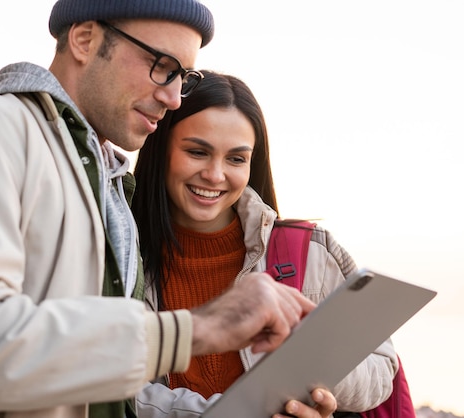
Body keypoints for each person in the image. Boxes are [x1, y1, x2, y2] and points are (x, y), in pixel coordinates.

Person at [0, 1, 337, 417]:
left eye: (185, 77)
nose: (175, 97)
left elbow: (105, 387)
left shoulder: (110, 182)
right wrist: (198, 328)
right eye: (161, 66)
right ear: (84, 39)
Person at [132, 70, 399, 417]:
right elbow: (104, 384)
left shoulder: (313, 251)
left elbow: (381, 370)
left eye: (236, 158)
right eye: (197, 152)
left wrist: (314, 371)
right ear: (160, 149)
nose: (215, 175)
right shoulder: (120, 253)